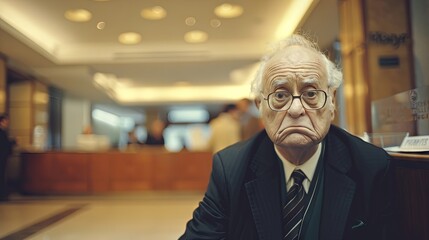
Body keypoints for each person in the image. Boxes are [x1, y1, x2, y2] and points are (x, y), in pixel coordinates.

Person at [180, 34, 400, 239]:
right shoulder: (230, 168)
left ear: (332, 101)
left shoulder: (371, 165)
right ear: (261, 106)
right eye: (281, 95)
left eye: (311, 93)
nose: (296, 109)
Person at [0, 114, 16, 201]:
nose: (7, 123)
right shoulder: (1, 132)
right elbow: (3, 144)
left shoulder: (3, 131)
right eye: (6, 121)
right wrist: (13, 142)